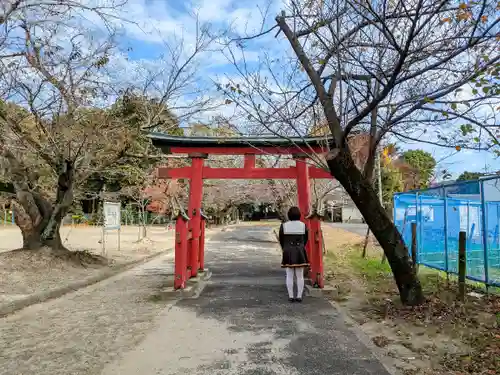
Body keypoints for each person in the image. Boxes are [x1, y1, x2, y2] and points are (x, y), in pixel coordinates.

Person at [278, 206, 309, 303]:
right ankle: (299, 296)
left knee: (289, 275)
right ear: (299, 215)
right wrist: (300, 246)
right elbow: (305, 239)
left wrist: (285, 248)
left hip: (288, 251)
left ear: (289, 215)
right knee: (300, 275)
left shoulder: (284, 226)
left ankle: (291, 296)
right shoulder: (303, 226)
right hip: (300, 251)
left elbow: (281, 239)